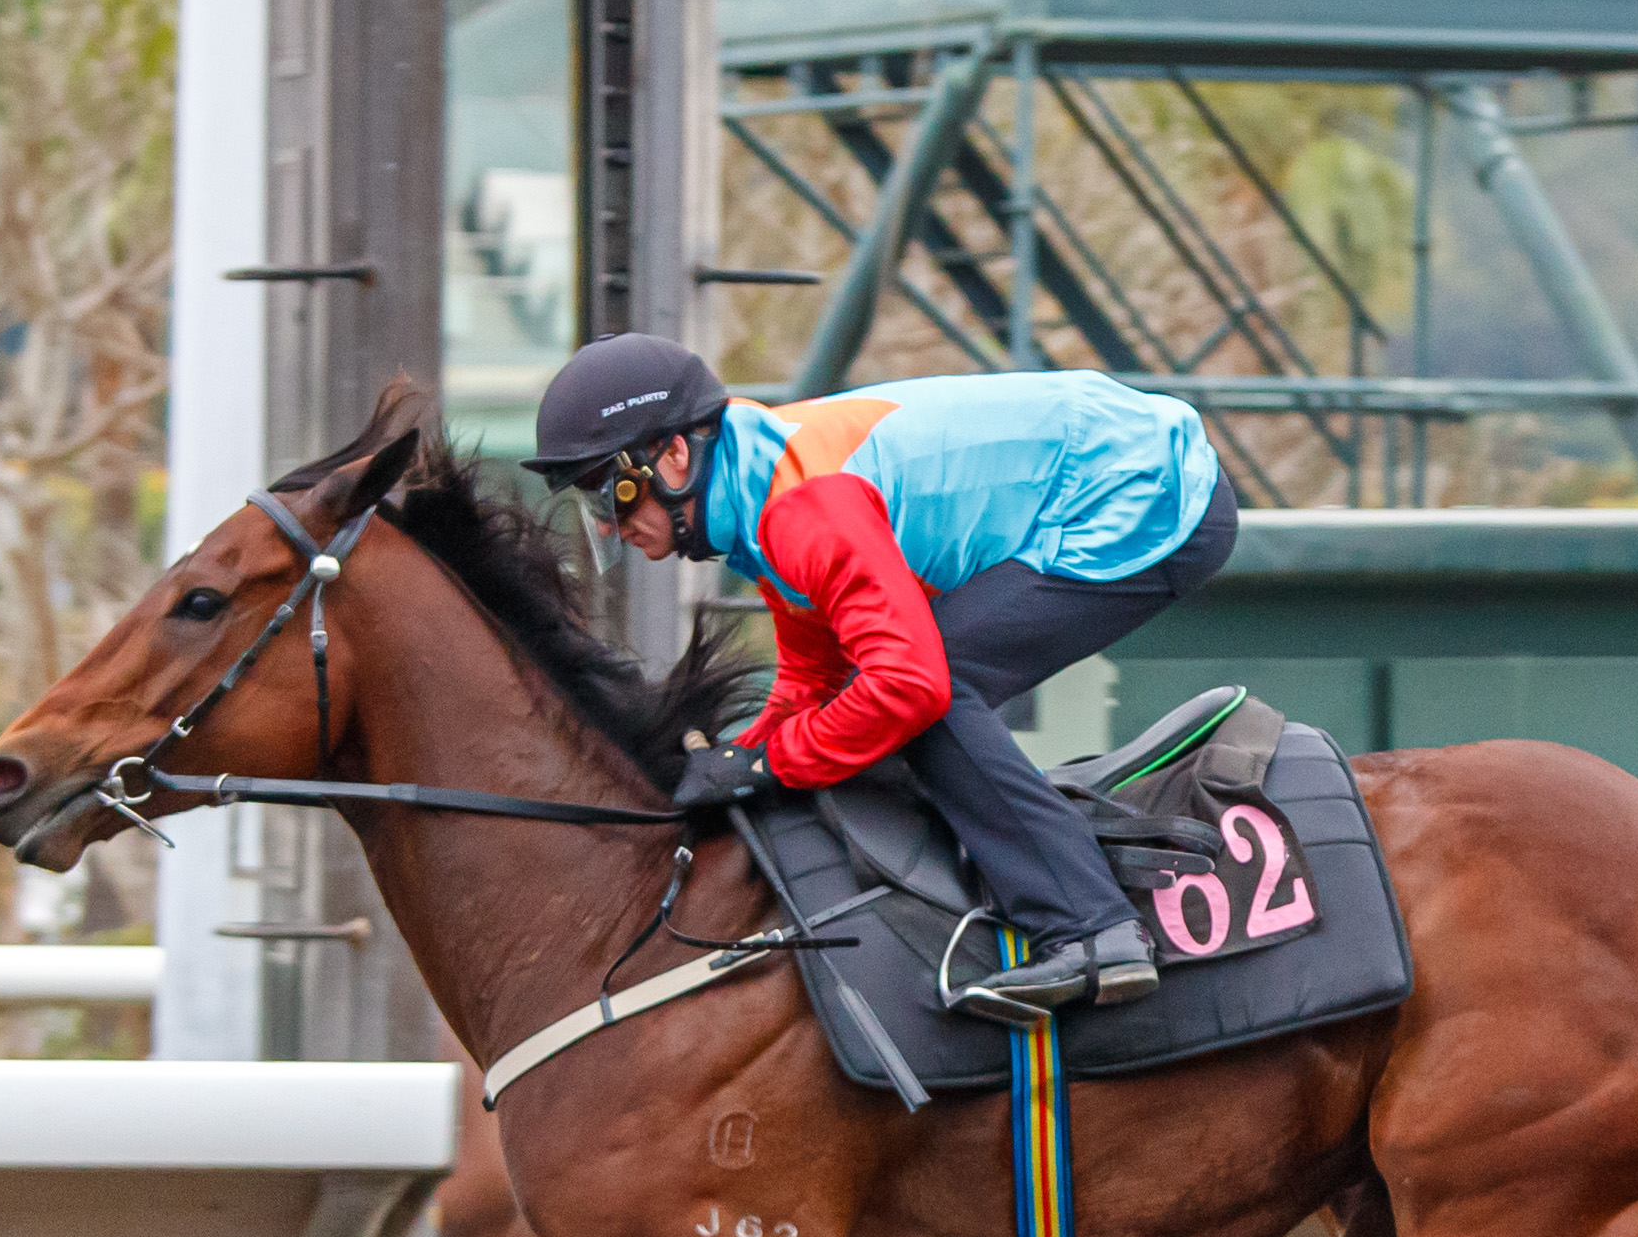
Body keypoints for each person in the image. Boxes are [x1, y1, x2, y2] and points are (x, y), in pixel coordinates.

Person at [525, 335, 1237, 1021]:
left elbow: (909, 685)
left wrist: (774, 761)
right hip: (1100, 469)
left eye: (607, 493)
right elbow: (816, 666)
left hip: (1142, 488)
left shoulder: (801, 510)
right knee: (891, 691)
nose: (609, 527)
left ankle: (1093, 929)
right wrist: (744, 754)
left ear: (673, 454)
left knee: (928, 690)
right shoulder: (757, 495)